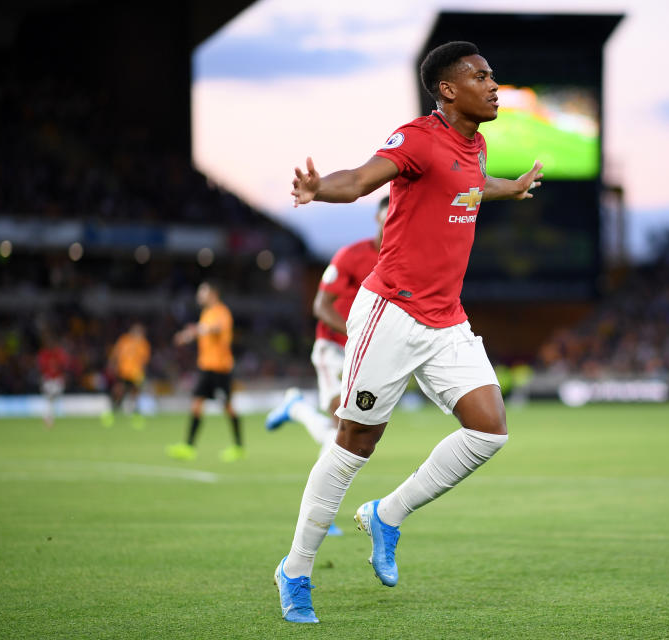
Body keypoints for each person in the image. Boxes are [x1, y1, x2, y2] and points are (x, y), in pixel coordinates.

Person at [273, 40, 543, 624]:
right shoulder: (419, 137)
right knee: (354, 446)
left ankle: (387, 515)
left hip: (447, 318)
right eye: (481, 76)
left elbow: (472, 184)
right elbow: (362, 178)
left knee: (489, 431)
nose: (494, 85)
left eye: (492, 75)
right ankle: (295, 570)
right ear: (448, 89)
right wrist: (321, 188)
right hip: (391, 311)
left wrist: (512, 187)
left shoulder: (476, 145)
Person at [266, 197, 388, 535]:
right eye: (388, 213)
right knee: (342, 424)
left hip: (362, 353)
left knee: (347, 430)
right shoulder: (351, 255)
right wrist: (352, 336)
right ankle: (321, 513)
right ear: (378, 217)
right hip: (333, 348)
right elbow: (321, 305)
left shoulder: (397, 262)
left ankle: (298, 408)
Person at [167, 282, 244, 461]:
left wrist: (197, 330)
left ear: (213, 293)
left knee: (228, 407)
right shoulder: (206, 313)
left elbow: (216, 328)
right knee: (196, 403)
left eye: (202, 291)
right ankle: (188, 446)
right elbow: (202, 332)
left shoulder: (221, 311)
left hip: (220, 368)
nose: (199, 295)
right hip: (206, 366)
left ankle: (239, 446)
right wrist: (188, 336)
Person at [101, 323, 151, 429]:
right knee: (118, 391)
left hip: (136, 373)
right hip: (123, 371)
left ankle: (136, 415)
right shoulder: (124, 340)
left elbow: (144, 360)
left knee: (135, 394)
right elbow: (116, 354)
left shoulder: (143, 343)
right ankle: (112, 411)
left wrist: (143, 373)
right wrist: (112, 365)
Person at [36, 335, 70, 429]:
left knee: (51, 399)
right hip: (48, 379)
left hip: (57, 379)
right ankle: (48, 418)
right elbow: (41, 368)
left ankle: (48, 417)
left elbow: (64, 366)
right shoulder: (44, 354)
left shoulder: (59, 353)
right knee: (49, 399)